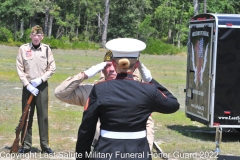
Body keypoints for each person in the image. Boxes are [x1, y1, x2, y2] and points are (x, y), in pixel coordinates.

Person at [75, 38, 180, 160]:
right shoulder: (149, 90)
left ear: (114, 64)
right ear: (137, 65)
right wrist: (150, 80)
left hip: (106, 151)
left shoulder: (100, 89)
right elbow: (173, 105)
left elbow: (87, 127)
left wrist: (81, 156)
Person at [54, 50, 155, 150]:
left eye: (114, 65)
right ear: (102, 69)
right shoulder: (94, 90)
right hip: (101, 148)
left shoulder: (138, 91)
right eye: (107, 65)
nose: (111, 69)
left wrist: (146, 150)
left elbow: (148, 124)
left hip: (131, 149)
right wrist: (85, 74)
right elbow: (60, 93)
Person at [16, 25, 56, 154]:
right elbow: (20, 68)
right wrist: (27, 84)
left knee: (43, 116)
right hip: (28, 86)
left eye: (39, 35)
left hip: (42, 86)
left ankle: (45, 146)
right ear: (30, 36)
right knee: (26, 115)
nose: (36, 37)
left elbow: (52, 67)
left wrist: (41, 79)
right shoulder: (23, 49)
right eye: (34, 34)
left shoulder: (46, 49)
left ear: (42, 37)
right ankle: (26, 145)